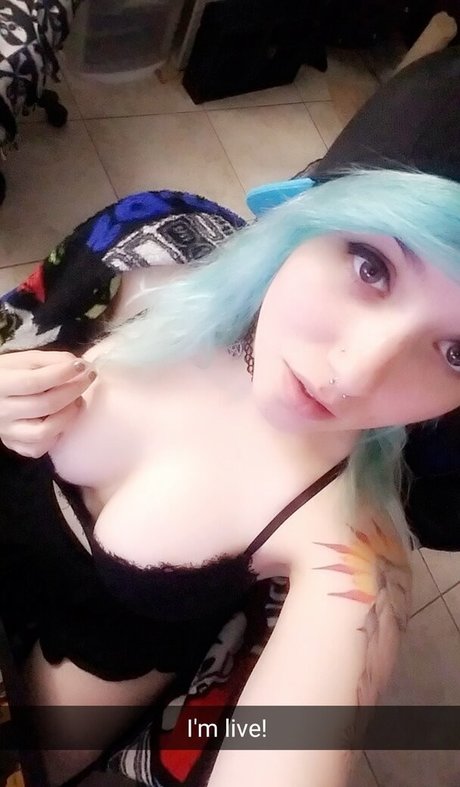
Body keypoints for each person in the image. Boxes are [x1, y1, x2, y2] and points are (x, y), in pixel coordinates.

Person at [1, 166, 460, 786]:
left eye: (458, 354)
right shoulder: (148, 247)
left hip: (73, 684)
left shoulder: (349, 543)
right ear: (310, 219)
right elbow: (21, 321)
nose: (354, 374)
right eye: (371, 267)